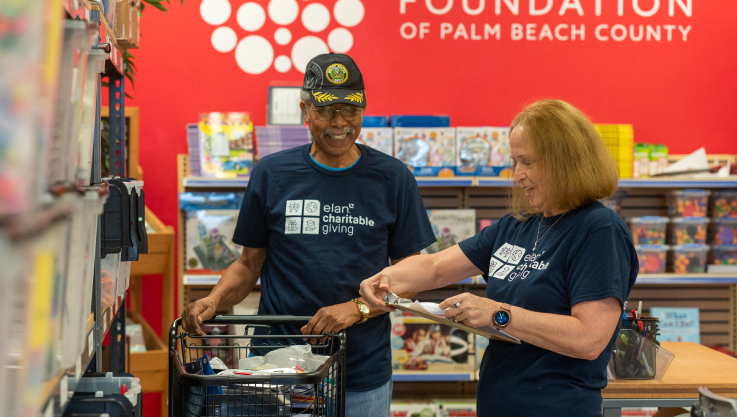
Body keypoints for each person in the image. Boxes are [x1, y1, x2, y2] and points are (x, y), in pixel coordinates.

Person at [182, 52, 436, 417]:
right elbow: (248, 264)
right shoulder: (271, 174)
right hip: (272, 368)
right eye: (326, 110)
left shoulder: (393, 178)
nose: (339, 123)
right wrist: (214, 300)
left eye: (350, 110)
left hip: (359, 373)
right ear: (305, 110)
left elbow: (414, 276)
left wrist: (357, 309)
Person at [360, 99, 639, 417]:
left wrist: (498, 315)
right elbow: (437, 267)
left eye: (528, 162)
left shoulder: (599, 229)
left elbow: (589, 339)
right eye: (514, 161)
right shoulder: (517, 226)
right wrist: (385, 278)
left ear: (566, 161)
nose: (517, 175)